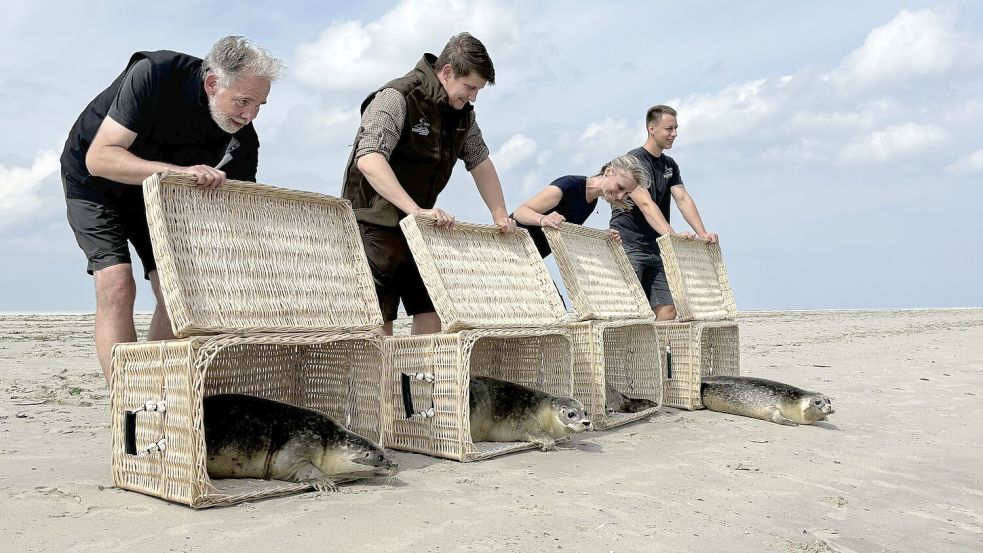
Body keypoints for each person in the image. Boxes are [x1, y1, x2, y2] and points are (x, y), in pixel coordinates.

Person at [60, 36, 283, 384]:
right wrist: (183, 173)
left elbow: (240, 213)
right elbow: (100, 158)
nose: (250, 114)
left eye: (260, 105)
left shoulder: (243, 138)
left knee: (176, 291)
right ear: (212, 84)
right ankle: (125, 402)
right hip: (94, 180)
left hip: (157, 194)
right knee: (118, 282)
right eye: (243, 101)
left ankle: (152, 387)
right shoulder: (156, 73)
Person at [342, 32, 516, 336]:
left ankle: (421, 383)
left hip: (417, 226)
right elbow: (369, 158)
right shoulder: (397, 96)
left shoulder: (462, 114)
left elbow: (480, 162)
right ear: (447, 72)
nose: (473, 97)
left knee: (431, 309)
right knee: (380, 319)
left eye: (478, 90)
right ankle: (384, 384)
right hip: (372, 223)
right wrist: (415, 209)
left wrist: (500, 214)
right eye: (470, 87)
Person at [610, 105, 719, 321]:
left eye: (676, 128)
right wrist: (672, 236)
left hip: (657, 247)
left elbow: (682, 198)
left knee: (669, 309)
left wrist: (703, 233)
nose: (674, 134)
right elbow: (646, 204)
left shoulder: (670, 165)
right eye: (669, 129)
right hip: (629, 244)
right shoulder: (632, 162)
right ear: (652, 128)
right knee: (629, 312)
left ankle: (655, 355)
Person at [511, 154, 651, 258]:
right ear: (608, 171)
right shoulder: (569, 185)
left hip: (530, 258)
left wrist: (601, 237)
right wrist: (543, 219)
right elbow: (520, 212)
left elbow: (568, 233)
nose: (621, 196)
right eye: (620, 187)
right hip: (509, 251)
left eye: (626, 193)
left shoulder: (591, 201)